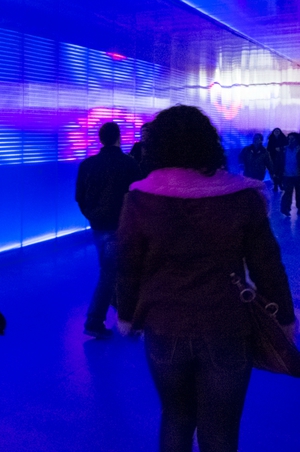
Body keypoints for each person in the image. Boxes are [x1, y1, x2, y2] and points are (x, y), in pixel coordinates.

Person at [116, 105, 296, 452]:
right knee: (221, 432)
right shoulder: (242, 196)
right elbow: (267, 265)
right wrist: (284, 318)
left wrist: (126, 315)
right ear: (208, 143)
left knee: (175, 418)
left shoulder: (141, 197)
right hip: (227, 326)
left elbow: (126, 264)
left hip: (164, 325)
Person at [75, 121, 142, 339]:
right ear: (118, 137)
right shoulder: (129, 164)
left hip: (99, 227)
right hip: (120, 226)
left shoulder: (87, 165)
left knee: (109, 269)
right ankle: (95, 320)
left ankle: (120, 312)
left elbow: (79, 196)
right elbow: (138, 196)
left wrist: (92, 216)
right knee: (111, 272)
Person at [281, 133, 300, 217]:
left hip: (298, 175)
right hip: (287, 175)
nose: (290, 140)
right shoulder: (284, 149)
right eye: (289, 138)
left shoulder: (299, 149)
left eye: (293, 138)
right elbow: (279, 162)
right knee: (287, 193)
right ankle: (285, 209)